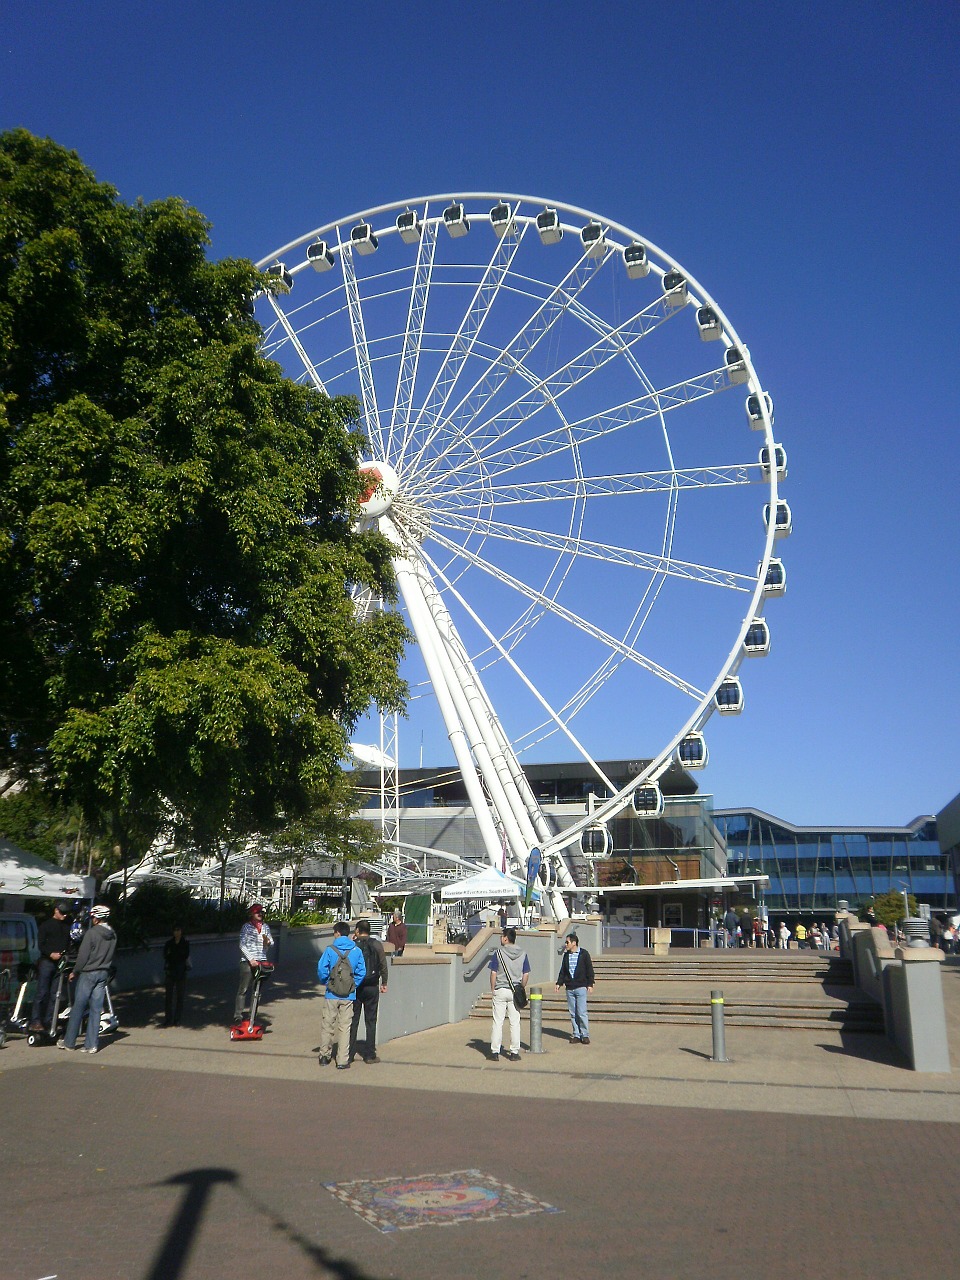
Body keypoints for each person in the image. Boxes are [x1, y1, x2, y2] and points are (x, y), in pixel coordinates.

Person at [57, 904, 117, 1054]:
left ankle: (69, 1042)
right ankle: (91, 1045)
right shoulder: (113, 935)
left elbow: (83, 956)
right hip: (103, 973)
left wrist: (75, 971)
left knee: (78, 1007)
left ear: (96, 918)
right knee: (96, 1009)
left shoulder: (91, 933)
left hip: (88, 972)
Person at [317, 920, 366, 1069]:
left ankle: (325, 1056)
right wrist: (353, 985)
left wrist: (327, 982)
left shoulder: (330, 949)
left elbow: (321, 969)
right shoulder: (356, 950)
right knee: (345, 1027)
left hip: (331, 994)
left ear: (337, 933)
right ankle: (342, 1060)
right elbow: (361, 971)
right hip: (348, 995)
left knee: (328, 1025)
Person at [489, 927, 530, 1062]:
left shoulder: (498, 954)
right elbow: (526, 974)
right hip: (515, 990)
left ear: (506, 938)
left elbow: (493, 972)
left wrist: (493, 989)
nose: (501, 938)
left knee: (497, 1022)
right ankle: (514, 1052)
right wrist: (521, 987)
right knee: (514, 1022)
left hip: (501, 990)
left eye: (502, 936)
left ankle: (495, 1051)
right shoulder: (523, 953)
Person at [30, 901, 72, 1032]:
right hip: (47, 962)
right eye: (62, 913)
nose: (64, 916)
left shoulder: (66, 926)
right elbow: (41, 945)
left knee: (56, 994)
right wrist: (50, 954)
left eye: (66, 913)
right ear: (56, 910)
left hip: (60, 963)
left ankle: (49, 1020)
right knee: (42, 992)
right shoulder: (46, 925)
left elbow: (69, 943)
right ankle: (36, 1020)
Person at [350, 919, 387, 1064]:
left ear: (357, 931)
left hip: (356, 987)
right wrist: (384, 982)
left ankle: (349, 1053)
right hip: (372, 986)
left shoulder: (354, 946)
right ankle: (370, 1054)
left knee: (353, 1020)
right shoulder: (376, 944)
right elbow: (383, 964)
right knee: (371, 1021)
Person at [234, 903, 274, 1025]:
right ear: (252, 914)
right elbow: (242, 944)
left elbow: (271, 942)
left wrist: (267, 942)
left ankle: (252, 1016)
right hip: (247, 962)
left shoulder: (265, 927)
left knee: (257, 991)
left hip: (261, 961)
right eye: (257, 912)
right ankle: (238, 1016)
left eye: (261, 912)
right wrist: (250, 959)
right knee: (243, 989)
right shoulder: (246, 927)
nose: (260, 914)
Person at [555, 931, 594, 1045]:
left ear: (574, 943)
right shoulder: (566, 955)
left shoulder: (584, 954)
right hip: (570, 988)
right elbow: (563, 971)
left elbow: (589, 969)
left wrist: (590, 984)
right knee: (573, 1013)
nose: (566, 944)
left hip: (581, 986)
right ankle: (576, 1034)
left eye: (567, 942)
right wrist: (559, 983)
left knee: (581, 1012)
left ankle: (585, 1034)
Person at [162, 924, 190, 1027]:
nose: (177, 932)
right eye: (175, 930)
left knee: (180, 997)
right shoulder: (169, 943)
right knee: (168, 997)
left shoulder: (185, 943)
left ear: (181, 931)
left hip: (181, 972)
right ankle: (168, 1019)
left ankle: (177, 1019)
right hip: (170, 972)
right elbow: (166, 955)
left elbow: (185, 955)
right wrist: (174, 956)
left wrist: (174, 955)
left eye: (178, 930)